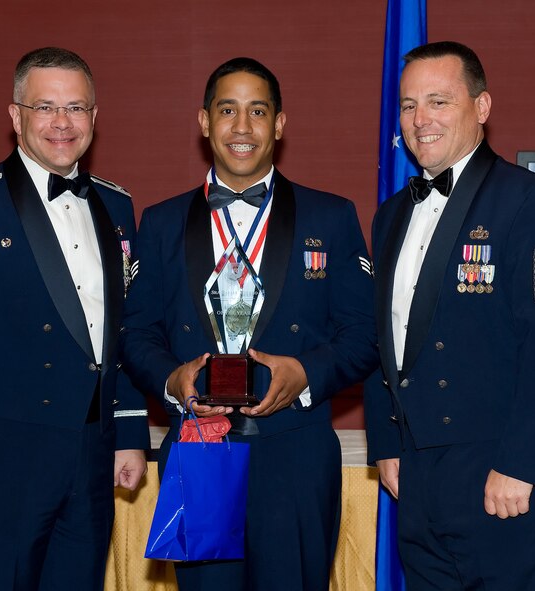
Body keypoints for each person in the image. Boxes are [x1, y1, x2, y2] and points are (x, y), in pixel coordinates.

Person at [119, 57, 378, 591]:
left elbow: (364, 335)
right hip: (198, 449)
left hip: (296, 455)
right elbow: (136, 332)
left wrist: (306, 373)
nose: (242, 127)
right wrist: (171, 379)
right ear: (204, 121)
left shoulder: (331, 217)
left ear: (279, 124)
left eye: (258, 112)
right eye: (227, 110)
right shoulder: (161, 222)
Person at [0, 47, 149, 590]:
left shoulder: (117, 205)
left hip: (91, 456)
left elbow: (124, 328)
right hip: (1, 460)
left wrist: (130, 430)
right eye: (45, 107)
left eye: (76, 108)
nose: (62, 122)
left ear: (94, 117)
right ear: (16, 117)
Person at [365, 41, 535, 590]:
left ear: (482, 107)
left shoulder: (532, 203)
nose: (421, 119)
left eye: (439, 101)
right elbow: (383, 339)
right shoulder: (390, 216)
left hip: (504, 475)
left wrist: (523, 465)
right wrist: (387, 445)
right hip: (418, 477)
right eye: (409, 105)